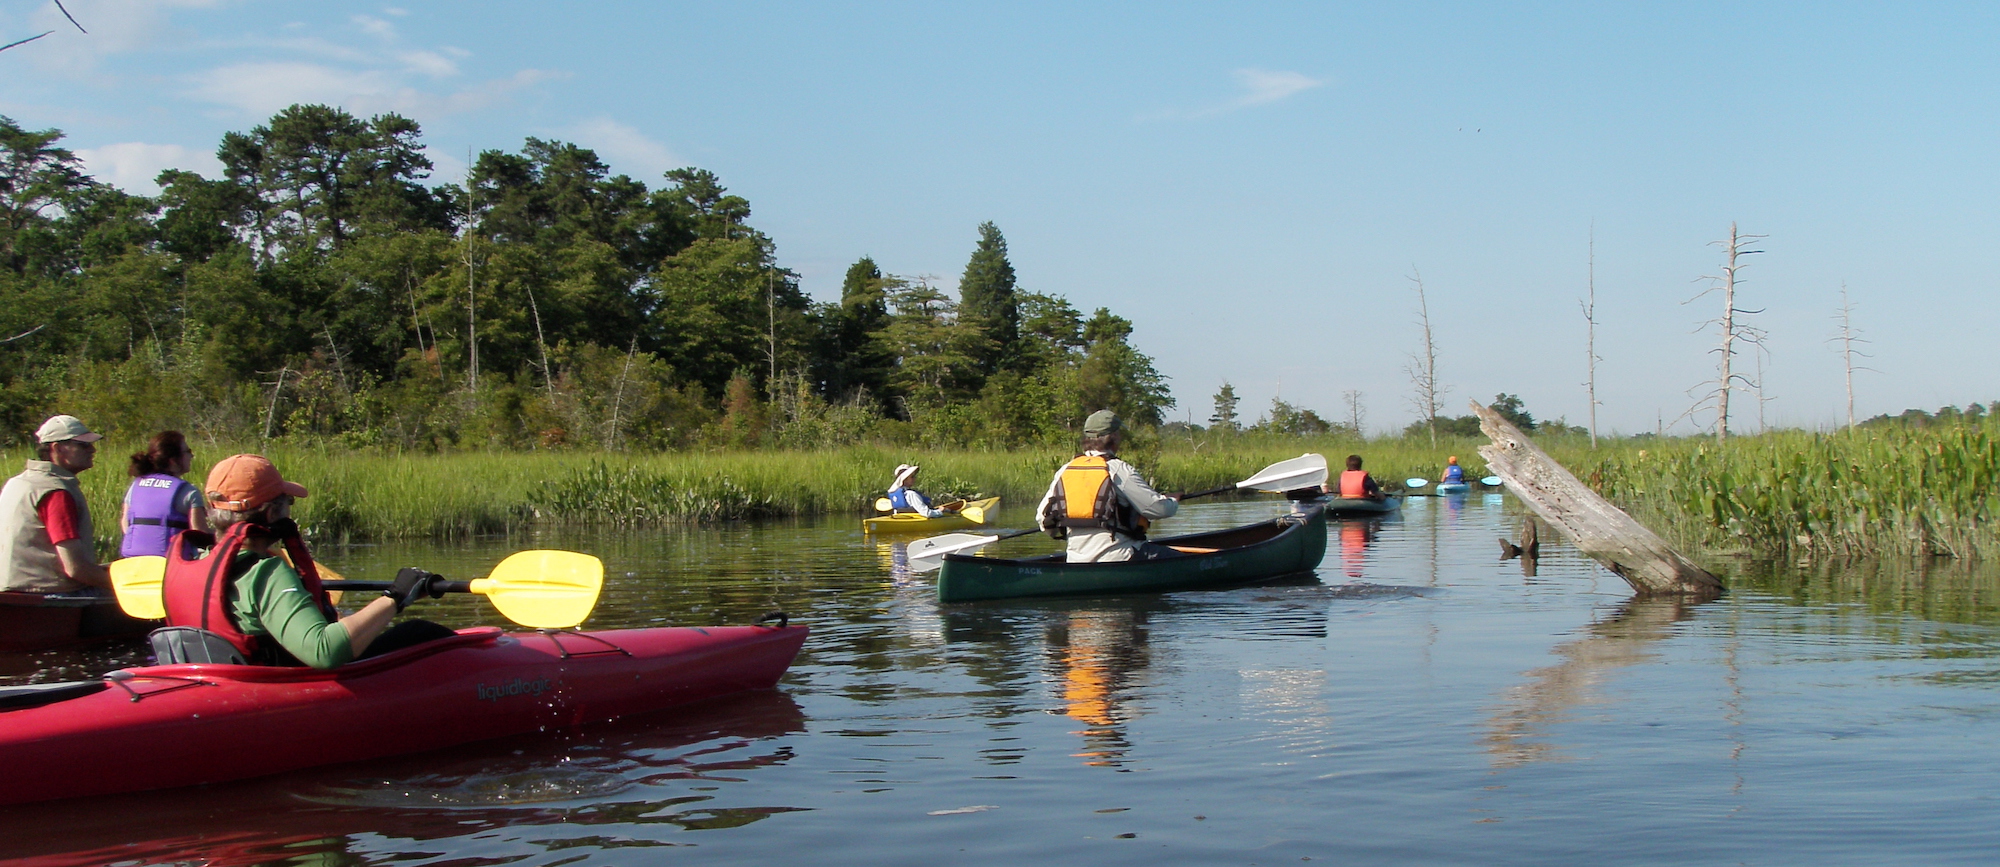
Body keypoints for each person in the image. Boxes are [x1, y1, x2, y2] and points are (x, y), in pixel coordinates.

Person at [159, 454, 456, 668]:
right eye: (288, 502)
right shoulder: (265, 572)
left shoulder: (197, 561)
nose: (290, 510)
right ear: (273, 513)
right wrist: (396, 596)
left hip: (211, 682)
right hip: (272, 693)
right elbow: (324, 651)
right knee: (421, 632)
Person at [1036, 410, 1181, 562]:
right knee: (1179, 560)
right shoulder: (1119, 470)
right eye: (1118, 433)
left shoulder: (1066, 470)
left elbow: (1042, 518)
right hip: (1122, 556)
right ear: (1113, 437)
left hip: (1076, 560)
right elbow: (1158, 509)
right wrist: (1172, 501)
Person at [0, 415, 111, 594]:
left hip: (12, 590)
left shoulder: (17, 483)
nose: (92, 450)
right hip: (48, 595)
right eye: (83, 445)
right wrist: (125, 588)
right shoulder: (55, 492)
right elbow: (76, 569)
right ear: (58, 448)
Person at [119, 430, 208, 558]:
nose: (191, 456)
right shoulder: (189, 491)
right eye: (188, 452)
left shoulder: (135, 486)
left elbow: (126, 524)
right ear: (173, 461)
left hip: (134, 560)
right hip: (171, 564)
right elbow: (200, 533)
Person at [887, 464, 957, 518]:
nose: (915, 479)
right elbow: (927, 513)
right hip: (914, 520)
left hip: (900, 518)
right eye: (912, 477)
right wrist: (940, 511)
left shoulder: (897, 493)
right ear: (904, 479)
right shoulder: (911, 494)